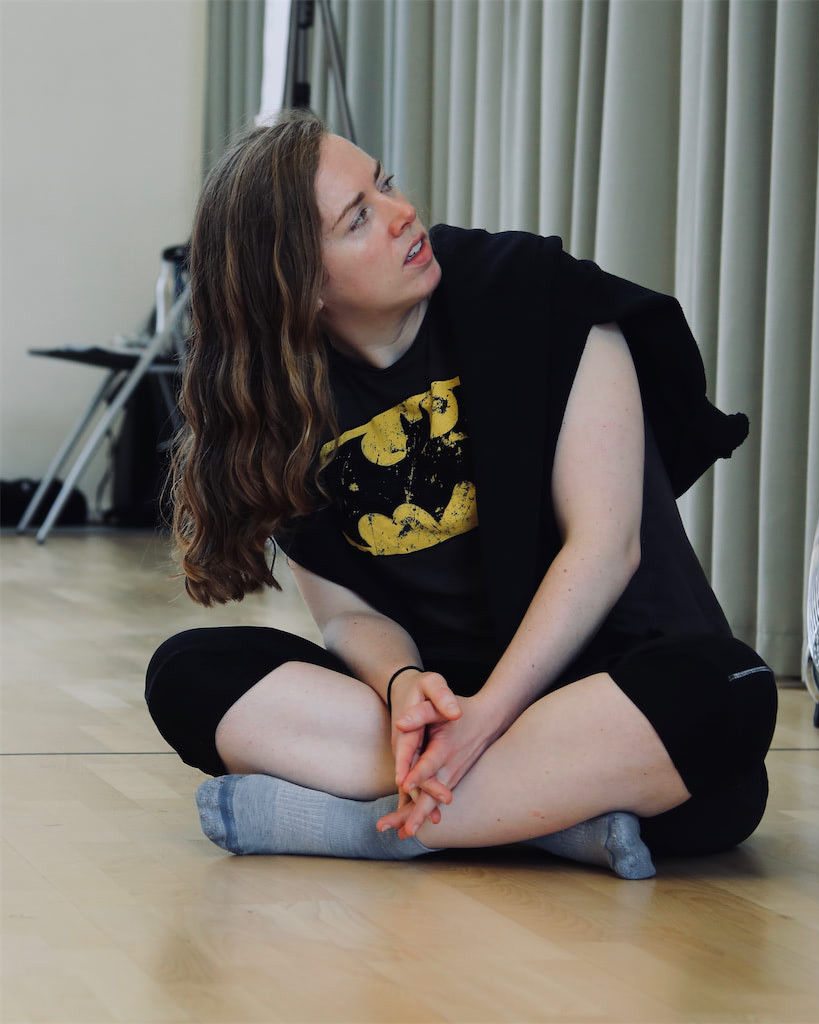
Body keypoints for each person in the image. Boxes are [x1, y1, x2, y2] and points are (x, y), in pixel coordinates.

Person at [145, 111, 777, 878]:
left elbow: (605, 546)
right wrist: (404, 688)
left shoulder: (534, 292)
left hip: (605, 687)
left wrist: (485, 722)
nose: (402, 212)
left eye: (385, 184)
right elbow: (350, 615)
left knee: (732, 691)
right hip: (442, 708)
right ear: (300, 288)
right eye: (359, 219)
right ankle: (552, 818)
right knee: (185, 674)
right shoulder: (284, 410)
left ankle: (366, 827)